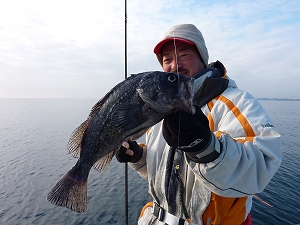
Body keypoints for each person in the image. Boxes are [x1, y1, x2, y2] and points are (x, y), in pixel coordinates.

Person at [116, 24, 282, 225]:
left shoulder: (236, 101)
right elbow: (163, 171)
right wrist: (138, 157)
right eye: (167, 59)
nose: (175, 65)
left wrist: (205, 148)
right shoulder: (160, 109)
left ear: (202, 58)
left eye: (184, 55)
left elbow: (264, 163)